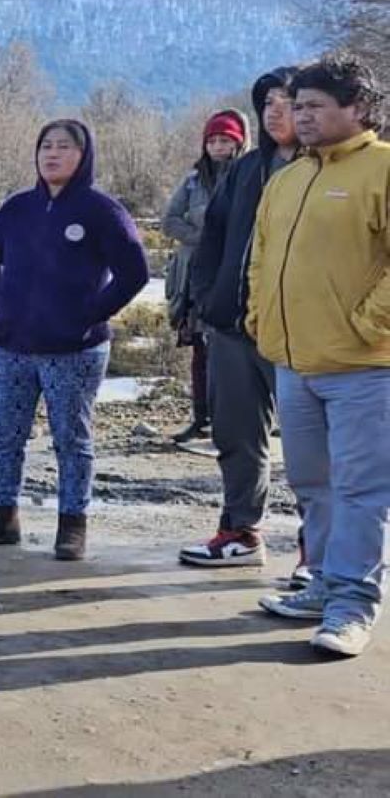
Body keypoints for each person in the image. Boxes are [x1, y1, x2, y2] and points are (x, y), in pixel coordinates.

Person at [249, 56, 390, 658]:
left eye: (312, 105)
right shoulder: (287, 178)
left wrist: (368, 324)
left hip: (365, 367)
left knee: (363, 490)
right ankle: (325, 584)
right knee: (313, 483)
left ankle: (353, 606)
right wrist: (259, 316)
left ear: (357, 108)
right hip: (294, 362)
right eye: (296, 104)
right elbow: (260, 259)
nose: (298, 115)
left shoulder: (382, 168)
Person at [0, 119, 148, 560]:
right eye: (46, 145)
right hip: (12, 344)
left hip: (74, 349)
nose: (52, 154)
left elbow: (134, 272)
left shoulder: (101, 210)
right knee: (6, 434)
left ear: (83, 157)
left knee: (71, 439)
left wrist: (90, 313)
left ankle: (72, 525)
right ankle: (2, 517)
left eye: (64, 147)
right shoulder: (18, 208)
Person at [180, 69, 300, 570]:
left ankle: (317, 550)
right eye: (267, 101)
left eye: (288, 100)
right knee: (236, 433)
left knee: (311, 446)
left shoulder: (324, 169)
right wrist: (207, 298)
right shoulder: (247, 168)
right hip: (232, 326)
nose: (275, 110)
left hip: (301, 331)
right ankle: (241, 532)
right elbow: (212, 237)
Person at [162, 109, 246, 444]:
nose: (218, 146)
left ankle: (242, 420)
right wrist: (205, 240)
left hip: (235, 276)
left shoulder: (248, 177)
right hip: (194, 278)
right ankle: (201, 418)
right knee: (200, 350)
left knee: (237, 352)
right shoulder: (192, 181)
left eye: (225, 140)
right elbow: (170, 220)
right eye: (212, 140)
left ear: (237, 143)